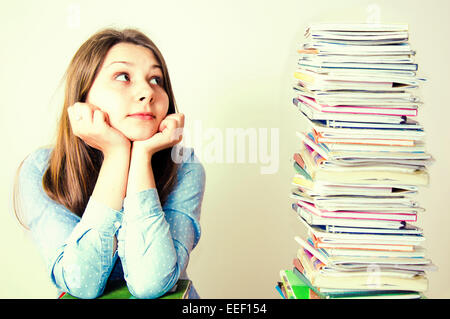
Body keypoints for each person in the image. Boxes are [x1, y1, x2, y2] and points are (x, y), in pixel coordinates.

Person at [13, 28, 206, 299]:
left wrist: (141, 156)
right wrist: (116, 155)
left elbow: (152, 281)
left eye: (156, 79)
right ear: (84, 95)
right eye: (123, 76)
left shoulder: (184, 166)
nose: (147, 92)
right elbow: (80, 282)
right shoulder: (43, 169)